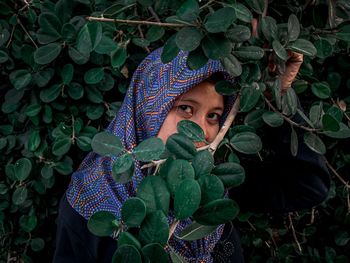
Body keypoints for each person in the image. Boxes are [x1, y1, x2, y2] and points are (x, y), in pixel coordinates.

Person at [53, 45, 330, 262]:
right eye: (185, 108)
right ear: (149, 107)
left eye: (214, 116)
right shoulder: (89, 205)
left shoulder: (213, 183)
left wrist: (278, 94)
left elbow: (308, 187)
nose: (200, 129)